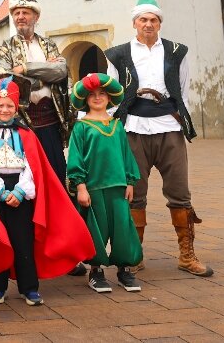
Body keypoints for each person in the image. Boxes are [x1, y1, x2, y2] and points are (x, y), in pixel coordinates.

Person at [103, 0, 213, 277]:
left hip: (169, 127)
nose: (148, 24)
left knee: (179, 192)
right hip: (133, 129)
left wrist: (181, 122)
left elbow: (183, 91)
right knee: (134, 194)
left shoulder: (177, 51)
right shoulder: (117, 53)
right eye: (143, 19)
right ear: (134, 23)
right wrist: (114, 127)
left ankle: (187, 256)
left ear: (159, 23)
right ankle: (133, 254)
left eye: (153, 20)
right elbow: (113, 93)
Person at [0, 77, 94, 307]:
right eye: (0, 105)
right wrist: (1, 192)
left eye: (9, 106)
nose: (5, 110)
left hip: (21, 194)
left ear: (16, 107)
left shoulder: (27, 135)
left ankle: (29, 287)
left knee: (23, 242)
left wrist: (19, 191)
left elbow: (33, 168)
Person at [0, 0, 86, 276]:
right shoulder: (5, 47)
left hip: (51, 125)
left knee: (57, 187)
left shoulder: (48, 43)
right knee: (24, 188)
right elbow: (6, 80)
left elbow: (62, 71)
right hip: (23, 127)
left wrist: (28, 69)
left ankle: (64, 252)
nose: (21, 17)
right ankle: (28, 253)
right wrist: (43, 73)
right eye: (17, 13)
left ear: (36, 17)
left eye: (26, 13)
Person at [67, 73, 144, 293]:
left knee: (123, 228)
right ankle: (96, 270)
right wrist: (80, 186)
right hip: (94, 188)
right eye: (92, 95)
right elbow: (75, 159)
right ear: (85, 100)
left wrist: (129, 181)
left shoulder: (117, 126)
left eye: (102, 94)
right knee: (96, 230)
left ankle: (124, 269)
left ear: (110, 98)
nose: (98, 98)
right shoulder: (81, 127)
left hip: (118, 187)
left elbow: (126, 155)